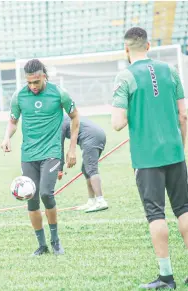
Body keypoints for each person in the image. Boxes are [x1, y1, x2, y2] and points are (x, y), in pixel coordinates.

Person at [111, 27, 188, 289]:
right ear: (149, 46)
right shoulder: (171, 71)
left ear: (126, 49)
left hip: (147, 158)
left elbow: (117, 123)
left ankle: (166, 277)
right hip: (175, 153)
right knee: (184, 210)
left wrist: (135, 114)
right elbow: (183, 115)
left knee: (156, 215)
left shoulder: (124, 77)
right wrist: (181, 146)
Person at [1, 59, 80, 256]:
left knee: (46, 193)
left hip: (51, 152)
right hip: (28, 155)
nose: (33, 86)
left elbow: (75, 118)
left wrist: (71, 149)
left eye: (36, 82)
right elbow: (12, 122)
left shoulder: (59, 94)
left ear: (44, 76)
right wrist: (6, 137)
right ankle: (42, 245)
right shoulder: (19, 96)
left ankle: (55, 241)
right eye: (29, 82)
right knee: (31, 199)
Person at [58, 114, 108, 212]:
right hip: (97, 134)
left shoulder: (58, 121)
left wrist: (59, 168)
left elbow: (59, 145)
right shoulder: (63, 117)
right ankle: (91, 201)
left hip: (91, 137)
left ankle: (100, 201)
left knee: (91, 169)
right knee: (86, 169)